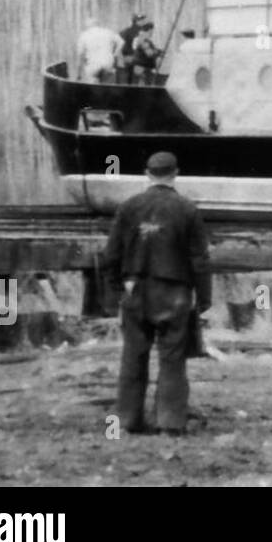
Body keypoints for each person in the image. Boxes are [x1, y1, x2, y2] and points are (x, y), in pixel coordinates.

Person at [101, 151, 211, 435]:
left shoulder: (128, 208)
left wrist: (118, 289)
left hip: (136, 290)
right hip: (175, 292)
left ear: (146, 174)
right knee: (173, 358)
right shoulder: (188, 210)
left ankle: (127, 420)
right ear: (175, 174)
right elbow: (199, 259)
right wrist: (203, 297)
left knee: (133, 356)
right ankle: (171, 423)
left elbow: (111, 255)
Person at [76, 18, 121, 83]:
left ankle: (92, 89)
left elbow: (80, 56)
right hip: (107, 64)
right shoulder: (107, 32)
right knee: (108, 86)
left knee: (92, 84)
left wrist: (78, 74)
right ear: (98, 25)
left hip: (93, 66)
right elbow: (121, 42)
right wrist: (115, 54)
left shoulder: (84, 35)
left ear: (88, 26)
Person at [117, 13, 148, 83]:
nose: (143, 21)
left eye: (143, 19)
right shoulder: (141, 32)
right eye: (141, 20)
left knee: (129, 78)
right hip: (135, 58)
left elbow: (119, 39)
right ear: (136, 21)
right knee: (137, 79)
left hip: (127, 57)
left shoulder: (127, 30)